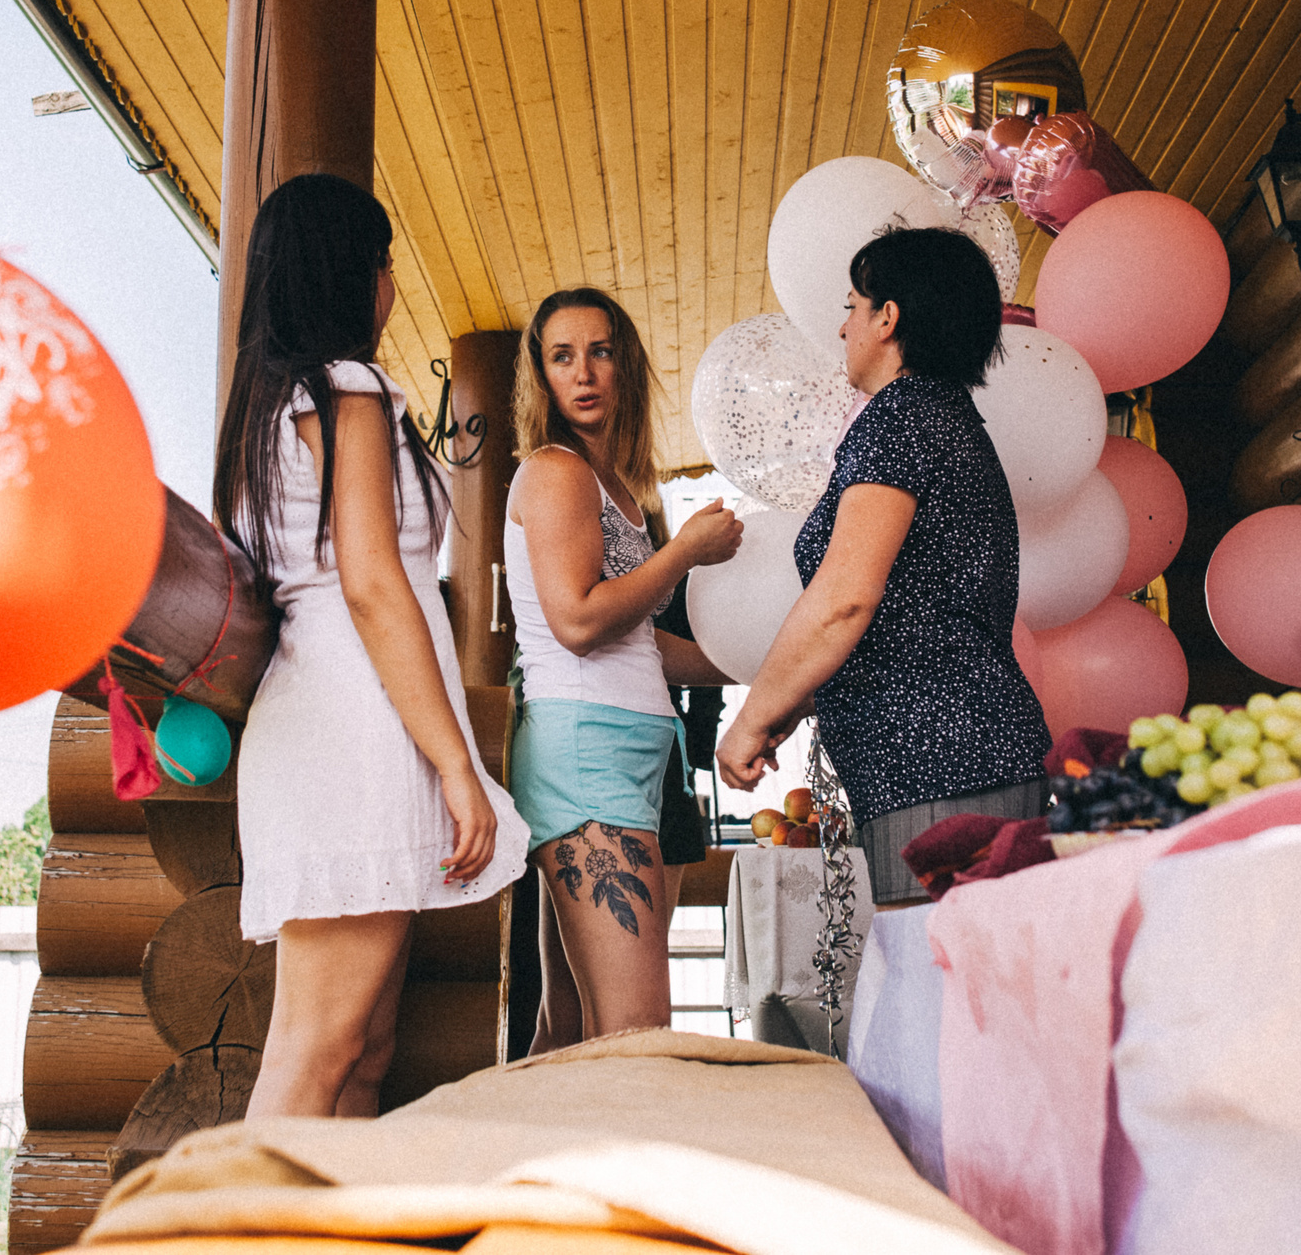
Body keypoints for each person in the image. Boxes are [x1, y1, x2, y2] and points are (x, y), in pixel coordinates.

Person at [214, 173, 528, 1115]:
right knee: (321, 1049)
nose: (391, 280)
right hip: (355, 716)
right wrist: (458, 767)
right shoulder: (345, 390)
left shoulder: (263, 407)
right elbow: (373, 582)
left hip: (325, 710)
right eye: (384, 261)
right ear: (356, 276)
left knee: (361, 1048)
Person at [715, 224, 1049, 908]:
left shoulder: (897, 419)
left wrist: (750, 717)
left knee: (937, 997)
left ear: (887, 316)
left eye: (851, 307)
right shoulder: (947, 418)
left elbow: (845, 599)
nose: (842, 329)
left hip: (938, 766)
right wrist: (794, 700)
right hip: (971, 755)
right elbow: (916, 615)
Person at [505, 288, 741, 1043]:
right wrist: (684, 553)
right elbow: (577, 620)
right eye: (562, 356)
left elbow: (640, 642)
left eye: (600, 351)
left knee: (577, 1025)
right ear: (541, 377)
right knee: (637, 1027)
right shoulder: (555, 470)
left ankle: (534, 1163)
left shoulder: (619, 493)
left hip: (632, 749)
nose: (584, 372)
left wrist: (763, 666)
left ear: (625, 365)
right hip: (586, 752)